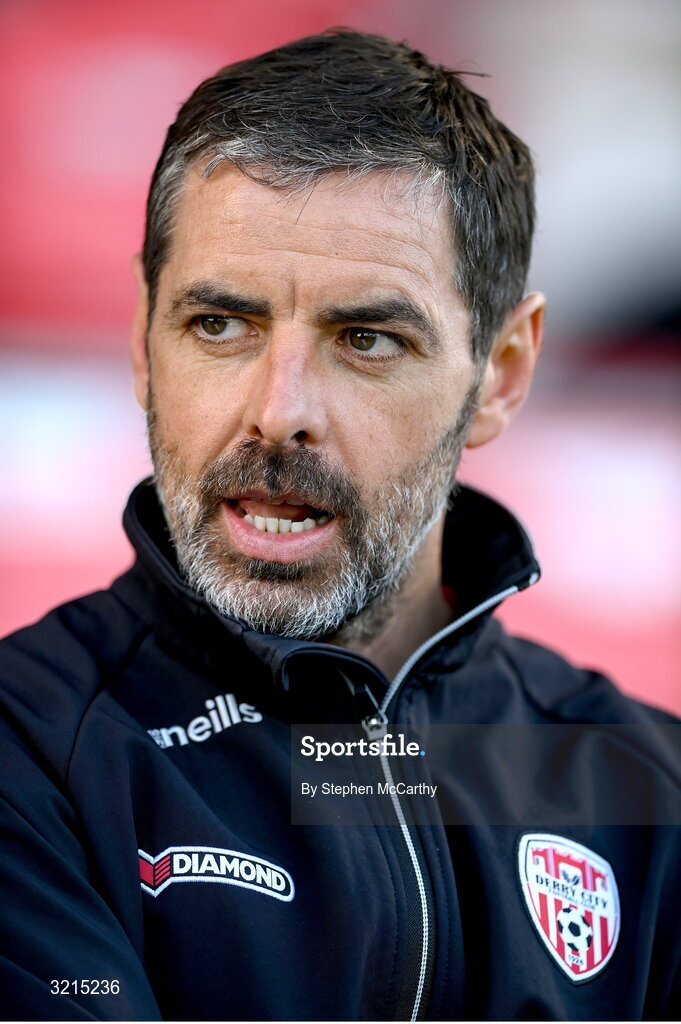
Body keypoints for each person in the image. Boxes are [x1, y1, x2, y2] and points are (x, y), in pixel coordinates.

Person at [0, 29, 678, 1022]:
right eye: (219, 324)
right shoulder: (32, 752)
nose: (279, 411)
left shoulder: (641, 781)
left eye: (365, 338)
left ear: (501, 372)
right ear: (144, 337)